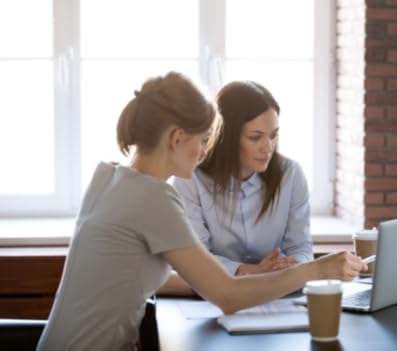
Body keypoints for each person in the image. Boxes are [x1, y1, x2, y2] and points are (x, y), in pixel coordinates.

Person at [37, 72, 366, 350]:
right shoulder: (153, 198)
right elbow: (228, 297)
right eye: (205, 139)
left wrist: (253, 275)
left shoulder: (110, 178)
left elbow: (134, 278)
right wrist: (316, 271)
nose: (206, 151)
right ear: (178, 138)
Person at [172, 80, 311, 276]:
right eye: (256, 137)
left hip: (275, 289)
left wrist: (289, 267)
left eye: (273, 135)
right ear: (227, 137)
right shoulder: (191, 178)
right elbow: (196, 256)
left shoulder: (291, 174)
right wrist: (247, 271)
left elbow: (302, 247)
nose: (268, 147)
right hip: (211, 293)